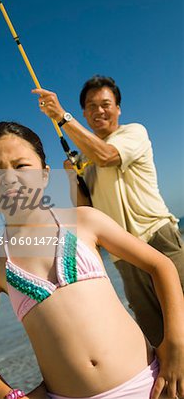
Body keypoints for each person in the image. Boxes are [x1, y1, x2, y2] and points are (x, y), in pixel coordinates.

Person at [0, 121, 184, 399]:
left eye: (20, 166)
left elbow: (160, 265)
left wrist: (175, 345)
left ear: (44, 175)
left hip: (151, 384)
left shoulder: (84, 220)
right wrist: (11, 397)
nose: (9, 178)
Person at [31, 77, 184, 347]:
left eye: (105, 104)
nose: (99, 111)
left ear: (118, 108)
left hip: (159, 240)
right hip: (125, 257)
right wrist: (71, 176)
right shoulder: (85, 159)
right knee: (159, 340)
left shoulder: (133, 133)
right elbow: (83, 211)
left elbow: (106, 156)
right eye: (92, 106)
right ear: (84, 114)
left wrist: (62, 117)